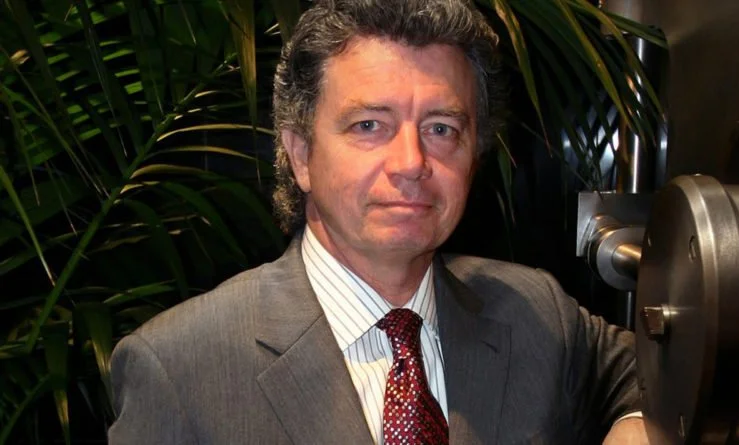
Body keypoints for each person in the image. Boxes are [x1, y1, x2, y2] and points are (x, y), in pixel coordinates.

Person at [108, 0, 648, 443]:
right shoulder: (180, 367)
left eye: (441, 129)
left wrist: (636, 423)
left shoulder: (536, 313)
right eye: (370, 125)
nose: (412, 162)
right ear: (301, 155)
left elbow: (663, 368)